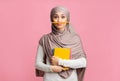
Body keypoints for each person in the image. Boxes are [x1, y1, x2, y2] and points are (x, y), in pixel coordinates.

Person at [35, 6, 87, 81]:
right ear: (51, 19)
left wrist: (60, 61)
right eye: (55, 17)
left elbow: (83, 62)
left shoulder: (75, 38)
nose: (59, 20)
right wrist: (51, 68)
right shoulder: (45, 39)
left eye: (63, 17)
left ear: (67, 19)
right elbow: (38, 64)